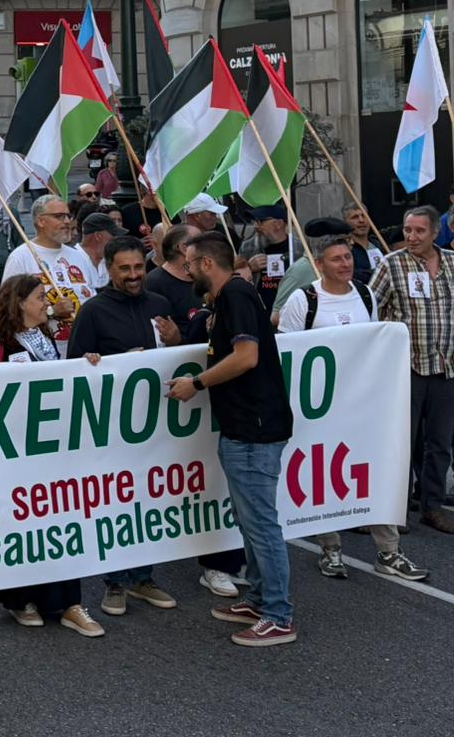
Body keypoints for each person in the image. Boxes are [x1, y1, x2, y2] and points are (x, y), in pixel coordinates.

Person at [166, 233, 296, 646]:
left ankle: (278, 614)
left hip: (255, 429)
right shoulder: (228, 299)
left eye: (189, 264)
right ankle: (259, 598)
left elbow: (247, 357)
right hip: (244, 426)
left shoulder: (236, 296)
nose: (186, 272)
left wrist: (197, 383)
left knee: (260, 524)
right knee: (249, 520)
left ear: (207, 264)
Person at [272, 235, 423, 581]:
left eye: (348, 257)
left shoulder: (365, 293)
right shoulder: (304, 299)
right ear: (320, 264)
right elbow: (288, 353)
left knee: (373, 471)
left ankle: (389, 550)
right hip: (320, 409)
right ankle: (330, 548)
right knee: (324, 474)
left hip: (361, 405)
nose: (346, 263)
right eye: (336, 259)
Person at [0, 275, 105, 636]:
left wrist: (87, 363)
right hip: (17, 449)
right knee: (23, 520)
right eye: (39, 296)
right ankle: (22, 599)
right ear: (19, 302)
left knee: (62, 515)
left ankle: (69, 602)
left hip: (55, 445)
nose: (46, 301)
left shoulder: (49, 337)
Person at [63, 237, 181, 616]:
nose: (134, 276)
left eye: (138, 268)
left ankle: (143, 577)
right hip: (112, 427)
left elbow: (177, 356)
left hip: (155, 425)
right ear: (110, 270)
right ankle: (115, 582)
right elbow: (74, 368)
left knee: (149, 502)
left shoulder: (160, 305)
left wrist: (178, 338)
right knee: (115, 503)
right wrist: (99, 361)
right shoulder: (93, 311)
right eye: (125, 269)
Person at [369, 205, 454, 534]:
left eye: (419, 231)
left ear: (435, 231)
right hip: (406, 369)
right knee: (402, 441)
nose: (412, 237)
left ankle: (432, 507)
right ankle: (396, 508)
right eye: (407, 230)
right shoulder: (392, 265)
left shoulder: (451, 263)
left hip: (446, 367)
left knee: (440, 442)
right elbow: (369, 308)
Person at [1, 194, 97, 352]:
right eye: (59, 216)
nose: (67, 221)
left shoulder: (78, 256)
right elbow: (7, 310)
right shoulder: (21, 257)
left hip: (83, 352)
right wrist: (51, 312)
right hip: (43, 356)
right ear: (41, 221)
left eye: (68, 215)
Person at [146, 224, 204, 333]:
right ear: (184, 248)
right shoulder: (155, 283)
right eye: (200, 243)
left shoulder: (203, 278)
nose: (206, 248)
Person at [240, 204, 292, 315]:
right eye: (253, 221)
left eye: (260, 222)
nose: (255, 226)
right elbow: (233, 279)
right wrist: (249, 267)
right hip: (258, 312)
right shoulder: (248, 248)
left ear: (278, 224)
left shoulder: (298, 247)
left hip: (290, 312)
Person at [77, 213, 125, 289]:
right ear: (98, 236)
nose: (115, 241)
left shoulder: (109, 260)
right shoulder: (70, 259)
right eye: (112, 236)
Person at [343, 203, 386, 285]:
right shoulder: (345, 248)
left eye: (364, 216)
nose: (361, 220)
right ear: (346, 222)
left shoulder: (379, 244)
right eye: (355, 217)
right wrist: (380, 273)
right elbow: (352, 274)